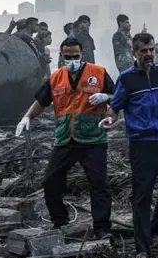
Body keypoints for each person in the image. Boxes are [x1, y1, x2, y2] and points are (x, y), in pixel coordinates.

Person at [101, 32, 158, 258]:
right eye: (143, 51)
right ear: (134, 53)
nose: (149, 54)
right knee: (142, 195)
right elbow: (115, 107)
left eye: (151, 49)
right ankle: (142, 250)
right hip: (142, 144)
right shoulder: (126, 79)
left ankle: (153, 229)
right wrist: (109, 119)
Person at [16, 37, 114, 237]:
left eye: (75, 56)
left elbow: (118, 98)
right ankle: (59, 221)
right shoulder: (56, 77)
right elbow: (41, 101)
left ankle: (102, 228)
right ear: (61, 56)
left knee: (98, 185)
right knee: (51, 182)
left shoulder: (98, 73)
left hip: (93, 139)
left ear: (82, 54)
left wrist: (107, 99)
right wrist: (27, 117)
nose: (72, 60)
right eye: (67, 57)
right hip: (65, 139)